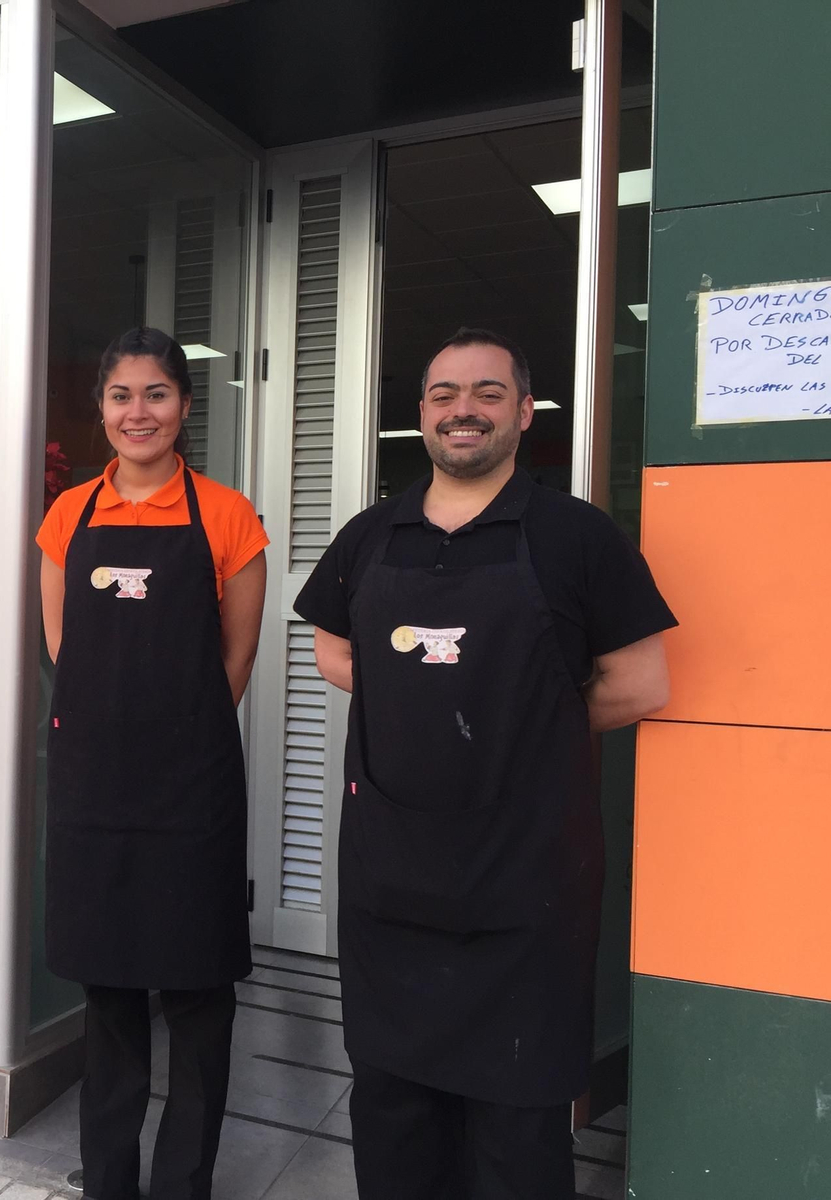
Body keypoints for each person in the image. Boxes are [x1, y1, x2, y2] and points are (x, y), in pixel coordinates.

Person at [295, 327, 676, 1199]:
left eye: (487, 393)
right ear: (421, 414)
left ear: (524, 413)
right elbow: (332, 650)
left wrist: (527, 724)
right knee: (391, 1122)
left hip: (525, 895)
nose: (463, 410)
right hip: (391, 889)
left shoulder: (577, 538)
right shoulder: (369, 535)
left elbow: (642, 681)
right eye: (443, 395)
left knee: (516, 1140)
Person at [38, 327, 268, 1200]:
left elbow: (235, 661)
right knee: (112, 995)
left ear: (184, 406)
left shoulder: (227, 514)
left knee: (200, 995)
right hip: (97, 787)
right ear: (102, 411)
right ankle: (109, 1181)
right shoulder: (69, 517)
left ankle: (183, 1184)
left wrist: (180, 731)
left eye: (157, 394)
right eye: (122, 396)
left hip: (192, 791)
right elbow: (66, 647)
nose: (140, 412)